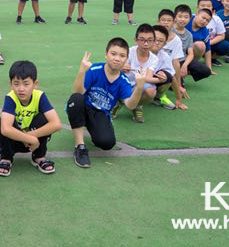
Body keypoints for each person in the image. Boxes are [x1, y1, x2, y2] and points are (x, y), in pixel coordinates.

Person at [65, 38, 150, 168]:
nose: (117, 58)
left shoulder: (123, 81)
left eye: (122, 55)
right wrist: (82, 71)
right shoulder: (94, 69)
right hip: (83, 106)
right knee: (76, 99)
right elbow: (77, 92)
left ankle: (92, 127)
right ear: (106, 54)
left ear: (126, 59)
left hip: (100, 113)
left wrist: (139, 87)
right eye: (113, 53)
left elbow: (130, 105)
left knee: (107, 143)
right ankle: (80, 147)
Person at [0, 60, 62, 177]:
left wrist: (31, 137)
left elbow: (56, 124)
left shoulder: (40, 96)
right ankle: (6, 158)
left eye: (26, 84)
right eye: (16, 84)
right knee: (2, 123)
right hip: (14, 141)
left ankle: (39, 157)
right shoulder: (10, 98)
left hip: (33, 143)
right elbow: (5, 129)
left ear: (35, 84)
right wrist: (29, 138)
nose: (21, 88)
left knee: (44, 119)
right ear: (10, 84)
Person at [114, 23, 159, 123]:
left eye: (149, 40)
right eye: (142, 40)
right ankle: (118, 101)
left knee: (151, 91)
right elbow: (113, 69)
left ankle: (136, 106)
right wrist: (120, 67)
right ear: (136, 40)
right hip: (123, 85)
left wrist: (160, 79)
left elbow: (148, 77)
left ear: (154, 41)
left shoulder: (154, 59)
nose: (146, 44)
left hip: (138, 87)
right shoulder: (128, 52)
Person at [173, 4, 211, 87]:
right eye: (180, 16)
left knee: (206, 71)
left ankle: (182, 74)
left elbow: (191, 53)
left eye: (186, 17)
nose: (183, 19)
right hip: (171, 61)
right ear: (175, 17)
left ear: (190, 18)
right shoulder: (169, 30)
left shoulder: (189, 34)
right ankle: (176, 78)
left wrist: (185, 66)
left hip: (182, 59)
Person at [156, 9, 187, 110]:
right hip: (147, 69)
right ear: (158, 21)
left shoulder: (176, 40)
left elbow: (176, 63)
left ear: (174, 23)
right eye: (163, 20)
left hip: (162, 71)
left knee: (168, 75)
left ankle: (160, 95)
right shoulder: (151, 35)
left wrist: (178, 86)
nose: (165, 22)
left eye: (169, 20)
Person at [149, 25, 178, 110]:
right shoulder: (136, 51)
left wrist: (179, 98)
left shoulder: (165, 56)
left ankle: (159, 96)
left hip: (151, 81)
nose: (157, 42)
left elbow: (172, 77)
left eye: (160, 41)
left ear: (165, 44)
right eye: (154, 39)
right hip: (136, 81)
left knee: (167, 75)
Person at [196, 0, 228, 66]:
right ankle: (193, 61)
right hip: (194, 45)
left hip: (210, 43)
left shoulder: (216, 19)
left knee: (225, 46)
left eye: (208, 6)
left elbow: (222, 36)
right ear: (197, 8)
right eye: (203, 5)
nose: (206, 7)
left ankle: (211, 59)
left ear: (212, 8)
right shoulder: (192, 18)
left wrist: (208, 43)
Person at [186, 7, 214, 76]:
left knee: (201, 45)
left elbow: (207, 50)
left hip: (189, 53)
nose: (204, 21)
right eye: (203, 18)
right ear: (196, 14)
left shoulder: (205, 31)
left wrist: (209, 68)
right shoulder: (186, 20)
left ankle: (190, 66)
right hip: (177, 49)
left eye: (207, 21)